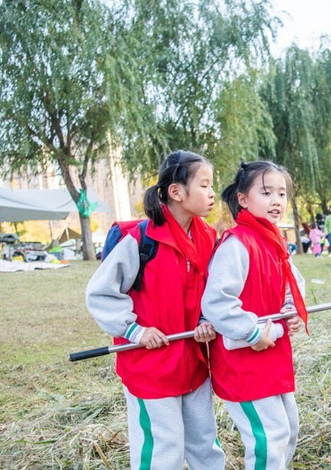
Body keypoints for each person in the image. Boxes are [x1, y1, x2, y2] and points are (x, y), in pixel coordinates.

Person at [85, 150, 225, 470]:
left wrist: (207, 320)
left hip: (193, 361)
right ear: (176, 192)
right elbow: (100, 293)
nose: (212, 193)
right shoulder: (140, 240)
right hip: (150, 364)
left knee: (205, 442)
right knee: (163, 447)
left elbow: (213, 294)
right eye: (204, 185)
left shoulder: (210, 239)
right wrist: (136, 330)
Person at [201, 161, 308, 470]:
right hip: (244, 361)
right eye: (266, 192)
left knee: (287, 430)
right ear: (243, 199)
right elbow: (218, 302)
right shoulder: (237, 243)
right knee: (268, 437)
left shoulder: (274, 242)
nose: (276, 200)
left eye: (282, 193)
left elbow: (291, 285)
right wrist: (251, 331)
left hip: (272, 355)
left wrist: (292, 311)